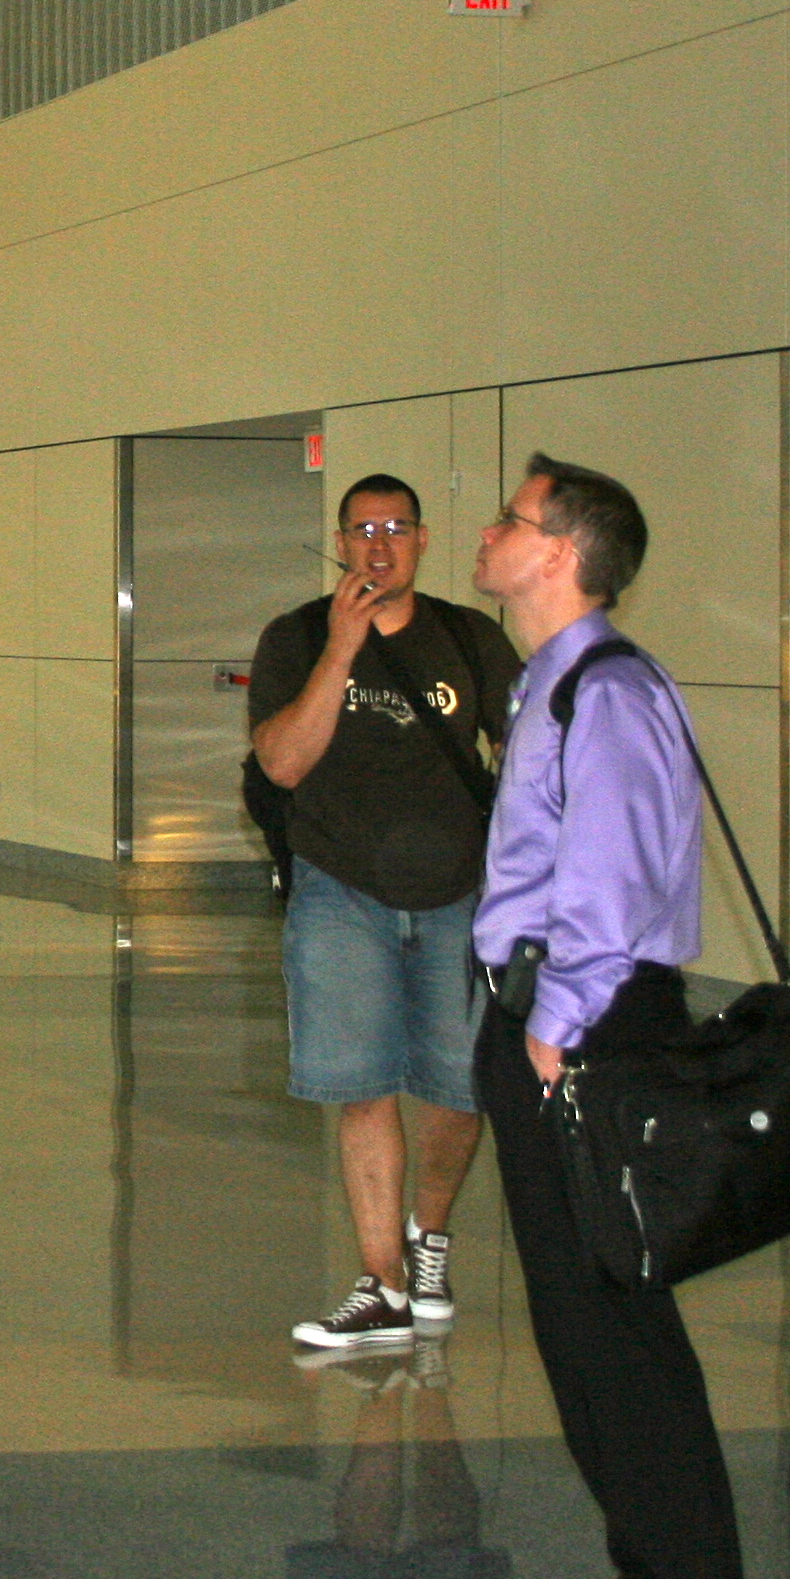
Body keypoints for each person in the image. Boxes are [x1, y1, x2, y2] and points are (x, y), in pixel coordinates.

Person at [469, 455, 742, 1579]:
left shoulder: (610, 691)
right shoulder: (547, 681)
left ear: (561, 552)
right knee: (578, 1327)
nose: (487, 531)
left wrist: (551, 1031)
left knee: (617, 1330)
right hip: (548, 1021)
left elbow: (609, 883)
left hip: (587, 1028)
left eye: (510, 517)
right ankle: (649, 1574)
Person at [250, 472, 520, 1351]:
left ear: (423, 540)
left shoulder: (469, 637)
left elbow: (525, 757)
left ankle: (427, 1237)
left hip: (459, 896)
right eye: (362, 530)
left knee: (461, 1089)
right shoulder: (297, 638)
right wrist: (341, 650)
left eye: (396, 528)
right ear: (340, 543)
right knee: (362, 1086)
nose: (379, 545)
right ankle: (382, 1283)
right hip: (341, 890)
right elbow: (283, 764)